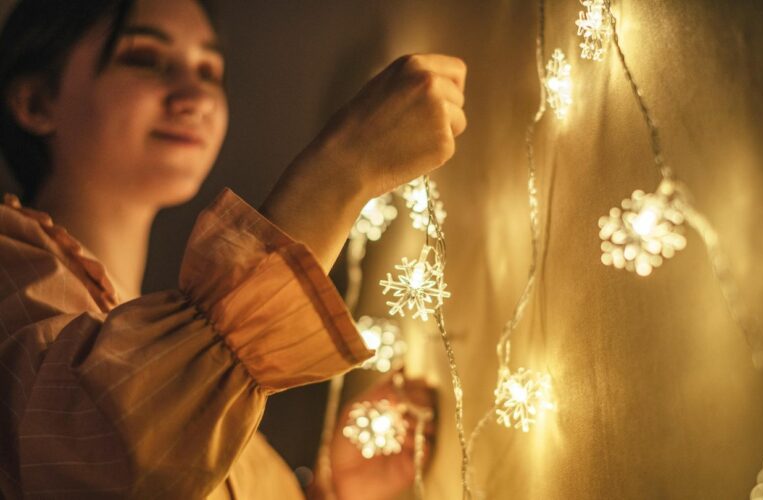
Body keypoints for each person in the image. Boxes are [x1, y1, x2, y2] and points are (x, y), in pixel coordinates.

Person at [0, 0, 467, 498]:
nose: (194, 95)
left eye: (209, 70)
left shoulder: (191, 374)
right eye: (144, 58)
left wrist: (335, 487)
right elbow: (103, 457)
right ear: (36, 101)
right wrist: (342, 169)